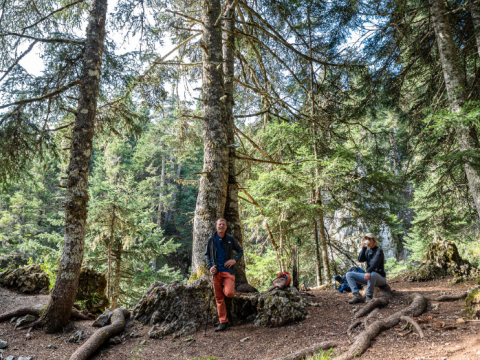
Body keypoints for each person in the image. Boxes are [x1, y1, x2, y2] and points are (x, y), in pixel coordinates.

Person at [205, 218, 244, 332]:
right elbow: (207, 254)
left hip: (228, 271)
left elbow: (240, 251)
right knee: (219, 298)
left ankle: (225, 288)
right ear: (216, 226)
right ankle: (223, 322)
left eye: (223, 224)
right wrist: (210, 267)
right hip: (216, 272)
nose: (221, 226)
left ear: (226, 227)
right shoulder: (211, 239)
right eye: (219, 224)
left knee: (229, 293)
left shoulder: (230, 239)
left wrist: (234, 260)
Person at [346, 233, 386, 304]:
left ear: (373, 240)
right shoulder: (367, 251)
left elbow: (375, 264)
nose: (366, 240)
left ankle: (368, 296)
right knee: (349, 274)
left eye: (369, 239)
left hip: (380, 278)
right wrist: (364, 248)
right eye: (366, 239)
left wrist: (368, 272)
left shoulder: (379, 251)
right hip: (369, 277)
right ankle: (357, 295)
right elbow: (360, 259)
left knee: (372, 274)